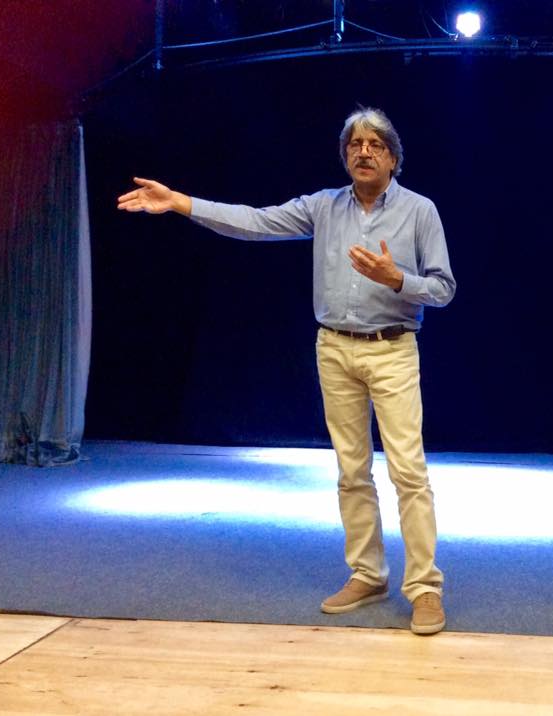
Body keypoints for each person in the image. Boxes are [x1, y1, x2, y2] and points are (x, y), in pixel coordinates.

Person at [117, 107, 455, 635]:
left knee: (408, 472)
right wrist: (182, 202)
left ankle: (425, 588)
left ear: (393, 158)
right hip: (335, 348)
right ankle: (368, 574)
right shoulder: (324, 206)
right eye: (354, 144)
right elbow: (255, 221)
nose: (363, 151)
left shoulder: (420, 211)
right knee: (351, 471)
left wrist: (398, 279)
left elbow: (443, 288)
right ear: (345, 156)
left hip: (392, 349)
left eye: (374, 144)